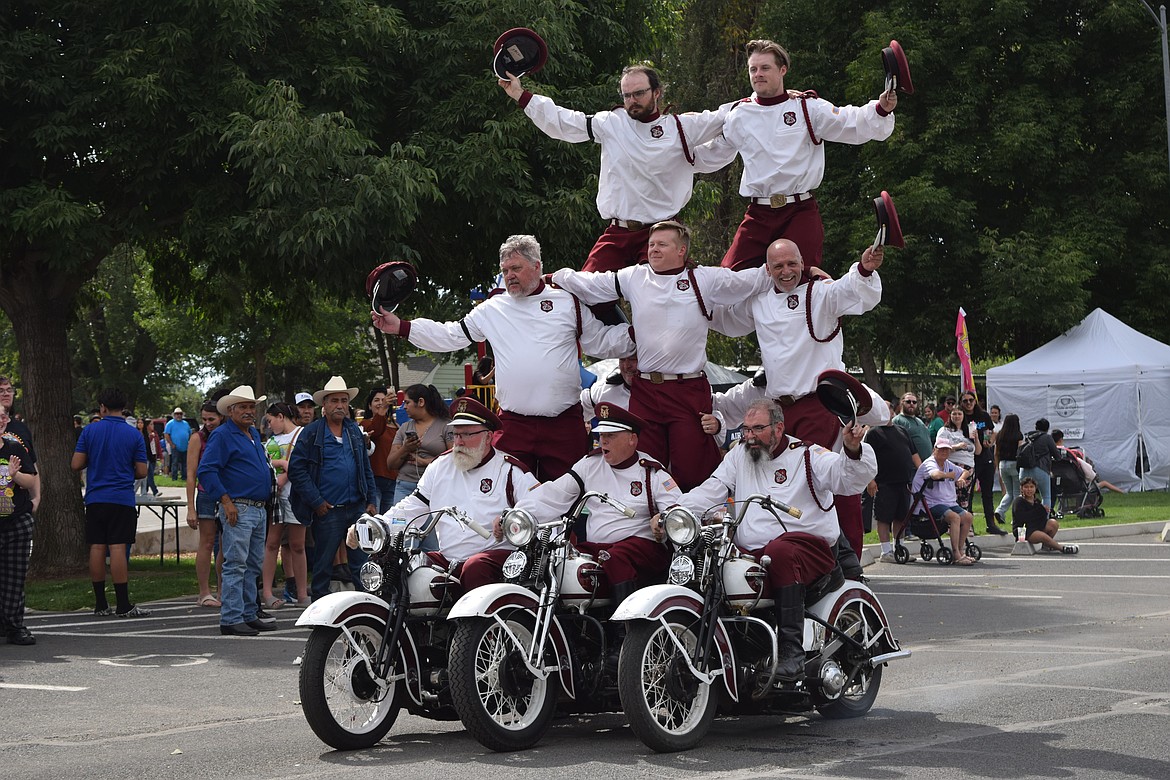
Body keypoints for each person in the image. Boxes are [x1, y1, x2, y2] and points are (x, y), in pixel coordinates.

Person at [373, 234, 634, 482]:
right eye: (506, 270)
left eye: (516, 268)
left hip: (564, 424)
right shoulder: (492, 309)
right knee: (507, 499)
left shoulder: (567, 301)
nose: (510, 276)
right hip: (514, 424)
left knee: (568, 499)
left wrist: (641, 336)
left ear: (536, 266)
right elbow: (451, 334)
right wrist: (403, 327)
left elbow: (599, 341)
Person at [662, 399, 876, 681]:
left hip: (810, 551)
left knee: (780, 551)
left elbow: (847, 479)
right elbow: (712, 489)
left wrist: (851, 449)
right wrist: (675, 512)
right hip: (752, 552)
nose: (749, 436)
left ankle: (792, 653)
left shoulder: (807, 455)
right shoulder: (740, 455)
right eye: (746, 429)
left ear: (778, 428)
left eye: (757, 429)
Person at [551, 220, 771, 490]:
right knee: (643, 462)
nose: (653, 249)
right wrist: (558, 277)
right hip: (646, 390)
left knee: (692, 465)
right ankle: (647, 522)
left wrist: (794, 270)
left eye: (662, 245)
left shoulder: (705, 279)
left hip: (687, 389)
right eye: (651, 244)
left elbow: (749, 281)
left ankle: (695, 525)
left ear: (681, 251)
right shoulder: (635, 276)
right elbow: (595, 285)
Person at [709, 237, 885, 553]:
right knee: (776, 482)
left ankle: (848, 562)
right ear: (767, 269)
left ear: (803, 264)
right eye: (778, 266)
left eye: (792, 264)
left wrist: (864, 268)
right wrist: (696, 297)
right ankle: (781, 550)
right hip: (779, 409)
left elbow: (851, 291)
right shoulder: (759, 301)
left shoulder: (821, 294)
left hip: (819, 405)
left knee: (831, 481)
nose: (786, 271)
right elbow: (725, 320)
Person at [500, 65, 729, 277]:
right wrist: (522, 96)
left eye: (639, 93)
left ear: (657, 92)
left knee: (662, 299)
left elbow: (730, 116)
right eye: (626, 95)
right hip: (617, 233)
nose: (632, 100)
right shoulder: (611, 123)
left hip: (662, 232)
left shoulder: (681, 127)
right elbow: (564, 122)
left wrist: (757, 99)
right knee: (583, 293)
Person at [693, 39, 897, 271]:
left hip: (799, 211)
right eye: (753, 69)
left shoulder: (807, 108)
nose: (758, 74)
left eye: (765, 68)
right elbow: (715, 152)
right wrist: (676, 157)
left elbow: (849, 122)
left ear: (783, 70)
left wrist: (881, 109)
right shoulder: (739, 114)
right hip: (758, 214)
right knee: (729, 279)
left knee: (801, 282)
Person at [511, 402, 681, 602]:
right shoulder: (589, 464)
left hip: (643, 548)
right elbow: (553, 494)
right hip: (598, 547)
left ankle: (625, 628)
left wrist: (663, 517)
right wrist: (517, 515)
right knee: (560, 560)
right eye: (601, 435)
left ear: (632, 439)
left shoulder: (651, 471)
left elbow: (676, 508)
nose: (603, 442)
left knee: (615, 558)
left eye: (611, 436)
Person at [381, 397, 538, 589]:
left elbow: (539, 508)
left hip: (494, 559)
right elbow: (412, 507)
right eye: (455, 434)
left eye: (466, 435)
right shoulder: (440, 466)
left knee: (475, 567)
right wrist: (380, 526)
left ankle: (475, 620)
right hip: (448, 559)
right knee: (410, 567)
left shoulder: (510, 469)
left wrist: (509, 517)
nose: (458, 442)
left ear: (488, 436)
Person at [287, 376, 379, 601]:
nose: (340, 405)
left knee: (362, 562)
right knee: (323, 564)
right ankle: (320, 612)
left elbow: (365, 466)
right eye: (334, 400)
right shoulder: (311, 432)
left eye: (344, 400)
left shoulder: (354, 431)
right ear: (324, 405)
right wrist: (316, 501)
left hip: (357, 506)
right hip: (328, 510)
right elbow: (296, 470)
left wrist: (371, 500)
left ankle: (369, 608)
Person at [197, 385, 277, 636]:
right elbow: (206, 470)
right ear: (230, 410)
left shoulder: (252, 433)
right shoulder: (222, 435)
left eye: (251, 406)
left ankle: (247, 614)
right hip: (239, 507)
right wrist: (226, 501)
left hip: (256, 507)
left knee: (252, 563)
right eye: (243, 406)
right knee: (236, 563)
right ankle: (231, 617)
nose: (249, 411)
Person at [72, 388, 150, 617]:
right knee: (117, 547)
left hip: (96, 497)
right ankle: (123, 603)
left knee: (97, 546)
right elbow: (142, 471)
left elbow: (76, 464)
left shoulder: (90, 431)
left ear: (102, 407)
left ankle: (100, 603)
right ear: (123, 408)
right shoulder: (133, 434)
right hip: (122, 498)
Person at [260, 402, 309, 609]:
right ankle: (268, 592)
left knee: (298, 545)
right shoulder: (271, 440)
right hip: (277, 498)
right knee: (272, 543)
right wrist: (280, 464)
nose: (270, 426)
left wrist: (285, 472)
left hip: (296, 496)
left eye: (270, 421)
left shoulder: (302, 434)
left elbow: (305, 462)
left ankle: (302, 593)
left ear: (280, 416)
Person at [0, 403, 38, 644]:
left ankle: (15, 625)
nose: (1, 420)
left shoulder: (14, 447)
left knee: (14, 578)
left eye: (2, 416)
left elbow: (30, 479)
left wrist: (14, 475)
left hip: (16, 522)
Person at [866, 400, 921, 563]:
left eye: (888, 408)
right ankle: (886, 552)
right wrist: (871, 480)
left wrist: (925, 472)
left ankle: (899, 549)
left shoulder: (902, 431)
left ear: (892, 411)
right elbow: (866, 459)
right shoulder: (874, 433)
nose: (886, 411)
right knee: (884, 517)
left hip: (904, 482)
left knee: (901, 517)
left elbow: (914, 455)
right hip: (884, 483)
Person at [386, 384, 454, 514]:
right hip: (405, 486)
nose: (404, 407)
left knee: (432, 532)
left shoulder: (446, 426)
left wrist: (424, 462)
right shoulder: (404, 428)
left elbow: (452, 460)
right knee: (401, 531)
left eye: (407, 402)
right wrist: (405, 448)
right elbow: (390, 464)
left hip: (435, 488)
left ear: (421, 402)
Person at [911, 441, 976, 565]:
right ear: (934, 449)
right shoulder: (930, 463)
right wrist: (949, 475)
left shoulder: (947, 463)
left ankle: (961, 550)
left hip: (947, 502)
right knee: (955, 518)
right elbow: (935, 475)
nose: (944, 452)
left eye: (947, 450)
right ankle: (956, 553)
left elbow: (965, 471)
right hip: (929, 503)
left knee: (968, 517)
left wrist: (961, 478)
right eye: (941, 449)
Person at [186, 400, 225, 608]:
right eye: (205, 419)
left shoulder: (228, 435)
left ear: (222, 417)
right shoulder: (197, 438)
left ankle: (222, 590)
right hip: (206, 494)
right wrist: (191, 507)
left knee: (225, 545)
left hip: (228, 494)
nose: (208, 423)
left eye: (212, 419)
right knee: (207, 542)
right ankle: (204, 592)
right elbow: (191, 475)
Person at [959, 392, 1006, 534]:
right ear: (961, 402)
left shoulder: (983, 415)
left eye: (971, 400)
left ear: (975, 401)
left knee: (988, 493)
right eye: (965, 401)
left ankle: (991, 524)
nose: (968, 403)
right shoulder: (960, 416)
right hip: (968, 459)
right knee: (968, 494)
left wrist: (989, 441)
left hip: (985, 457)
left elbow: (991, 431)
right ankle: (968, 524)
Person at [1014, 477, 1078, 553]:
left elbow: (1042, 516)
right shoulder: (1019, 502)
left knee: (1053, 523)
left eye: (1031, 487)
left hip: (1035, 527)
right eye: (1026, 487)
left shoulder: (1036, 501)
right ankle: (1062, 548)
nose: (1029, 489)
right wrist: (1039, 510)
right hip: (1023, 531)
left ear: (1035, 488)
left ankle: (1046, 546)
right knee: (1043, 536)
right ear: (1021, 488)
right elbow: (1023, 517)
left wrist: (1043, 510)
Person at [934, 405, 980, 512]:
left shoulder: (968, 431)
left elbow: (977, 451)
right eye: (954, 413)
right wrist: (956, 446)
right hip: (952, 467)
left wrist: (977, 438)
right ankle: (952, 524)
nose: (957, 416)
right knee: (951, 498)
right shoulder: (944, 430)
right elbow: (938, 450)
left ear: (964, 416)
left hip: (968, 469)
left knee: (965, 499)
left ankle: (965, 525)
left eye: (959, 414)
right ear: (950, 415)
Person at [360, 386, 398, 513]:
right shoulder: (365, 424)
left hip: (393, 479)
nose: (381, 403)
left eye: (384, 400)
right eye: (377, 400)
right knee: (374, 520)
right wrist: (383, 409)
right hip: (374, 479)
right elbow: (375, 432)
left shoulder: (396, 426)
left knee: (388, 520)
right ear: (369, 406)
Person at [1052, 429, 1124, 493]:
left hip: (1059, 485)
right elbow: (1085, 468)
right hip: (1076, 484)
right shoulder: (1069, 455)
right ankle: (1123, 492)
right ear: (1061, 440)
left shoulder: (1051, 454)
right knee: (1103, 483)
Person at [1020, 418, 1061, 514]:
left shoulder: (1028, 436)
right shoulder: (1047, 437)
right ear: (1047, 428)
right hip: (1040, 469)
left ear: (1035, 427)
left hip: (1024, 469)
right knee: (1046, 496)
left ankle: (1020, 517)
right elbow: (1057, 456)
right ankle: (1044, 518)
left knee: (1024, 495)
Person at [993, 413, 1024, 530]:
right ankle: (1015, 518)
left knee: (1009, 492)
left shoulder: (1000, 435)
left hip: (1002, 464)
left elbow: (996, 452)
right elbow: (1020, 452)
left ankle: (1000, 511)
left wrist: (997, 466)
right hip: (1014, 464)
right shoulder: (1018, 435)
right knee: (1017, 492)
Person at [894, 392, 933, 462]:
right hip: (911, 466)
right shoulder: (897, 420)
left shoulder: (919, 420)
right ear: (902, 402)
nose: (911, 404)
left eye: (914, 402)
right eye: (908, 402)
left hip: (927, 464)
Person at [136, 417, 161, 497]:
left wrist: (153, 457)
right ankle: (133, 491)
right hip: (138, 457)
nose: (140, 424)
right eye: (138, 423)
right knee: (141, 477)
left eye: (141, 423)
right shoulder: (135, 433)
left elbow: (150, 447)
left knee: (145, 477)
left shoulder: (147, 435)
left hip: (147, 457)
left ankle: (144, 492)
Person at [164, 407, 191, 480]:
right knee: (175, 463)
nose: (178, 415)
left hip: (185, 447)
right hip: (175, 447)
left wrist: (189, 442)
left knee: (185, 464)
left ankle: (184, 477)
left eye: (180, 414)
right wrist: (171, 444)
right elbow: (166, 434)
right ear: (174, 415)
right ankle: (174, 477)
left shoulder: (185, 423)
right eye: (177, 414)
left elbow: (189, 433)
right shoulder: (170, 423)